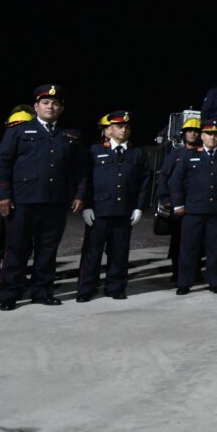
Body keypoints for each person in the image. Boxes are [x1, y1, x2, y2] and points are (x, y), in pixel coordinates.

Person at [0, 85, 87, 310]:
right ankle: (10, 294)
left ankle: (42, 291)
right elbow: (2, 164)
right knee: (16, 248)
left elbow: (80, 169)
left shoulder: (70, 135)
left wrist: (80, 194)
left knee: (48, 248)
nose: (50, 106)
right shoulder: (18, 131)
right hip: (23, 200)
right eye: (45, 102)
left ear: (61, 108)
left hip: (55, 202)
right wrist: (2, 195)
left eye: (55, 103)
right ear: (36, 106)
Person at [76, 111, 151, 302]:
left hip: (124, 210)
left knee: (119, 251)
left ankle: (115, 286)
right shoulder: (94, 150)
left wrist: (139, 207)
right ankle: (86, 287)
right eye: (119, 126)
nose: (124, 129)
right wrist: (86, 205)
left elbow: (144, 181)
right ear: (108, 130)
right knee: (92, 251)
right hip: (99, 210)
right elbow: (86, 179)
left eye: (127, 126)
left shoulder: (138, 152)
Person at [170, 121, 217, 295]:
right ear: (202, 136)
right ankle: (184, 282)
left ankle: (215, 282)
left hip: (216, 210)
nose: (212, 137)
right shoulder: (189, 155)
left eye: (216, 134)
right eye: (209, 134)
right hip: (193, 210)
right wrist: (178, 204)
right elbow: (176, 180)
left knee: (215, 248)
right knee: (189, 248)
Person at [0, 107, 35, 289]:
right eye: (13, 126)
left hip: (23, 199)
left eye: (21, 125)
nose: (17, 129)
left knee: (23, 241)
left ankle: (17, 275)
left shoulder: (35, 150)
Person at [156, 117, 203, 283]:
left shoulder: (204, 154)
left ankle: (196, 272)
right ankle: (177, 272)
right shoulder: (175, 155)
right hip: (179, 205)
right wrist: (165, 197)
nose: (193, 134)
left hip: (198, 204)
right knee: (178, 240)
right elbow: (164, 177)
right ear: (184, 134)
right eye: (189, 131)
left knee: (198, 241)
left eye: (196, 131)